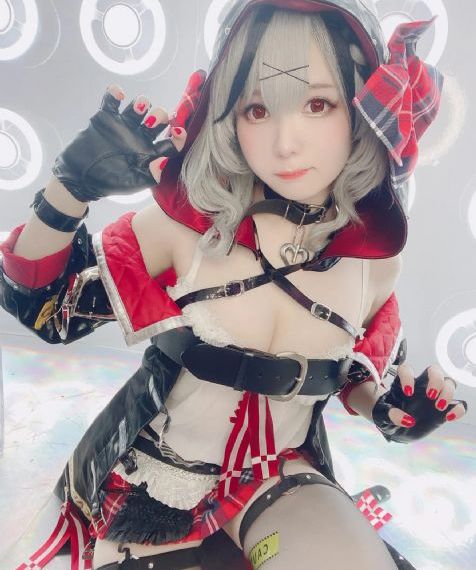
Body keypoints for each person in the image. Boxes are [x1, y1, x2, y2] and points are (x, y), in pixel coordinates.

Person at [0, 1, 468, 569]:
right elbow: (47, 310)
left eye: (317, 104)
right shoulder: (186, 227)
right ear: (229, 115)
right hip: (155, 479)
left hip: (280, 474)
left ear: (362, 109)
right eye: (257, 108)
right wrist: (69, 188)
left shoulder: (374, 261)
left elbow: (355, 376)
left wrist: (393, 413)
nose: (285, 143)